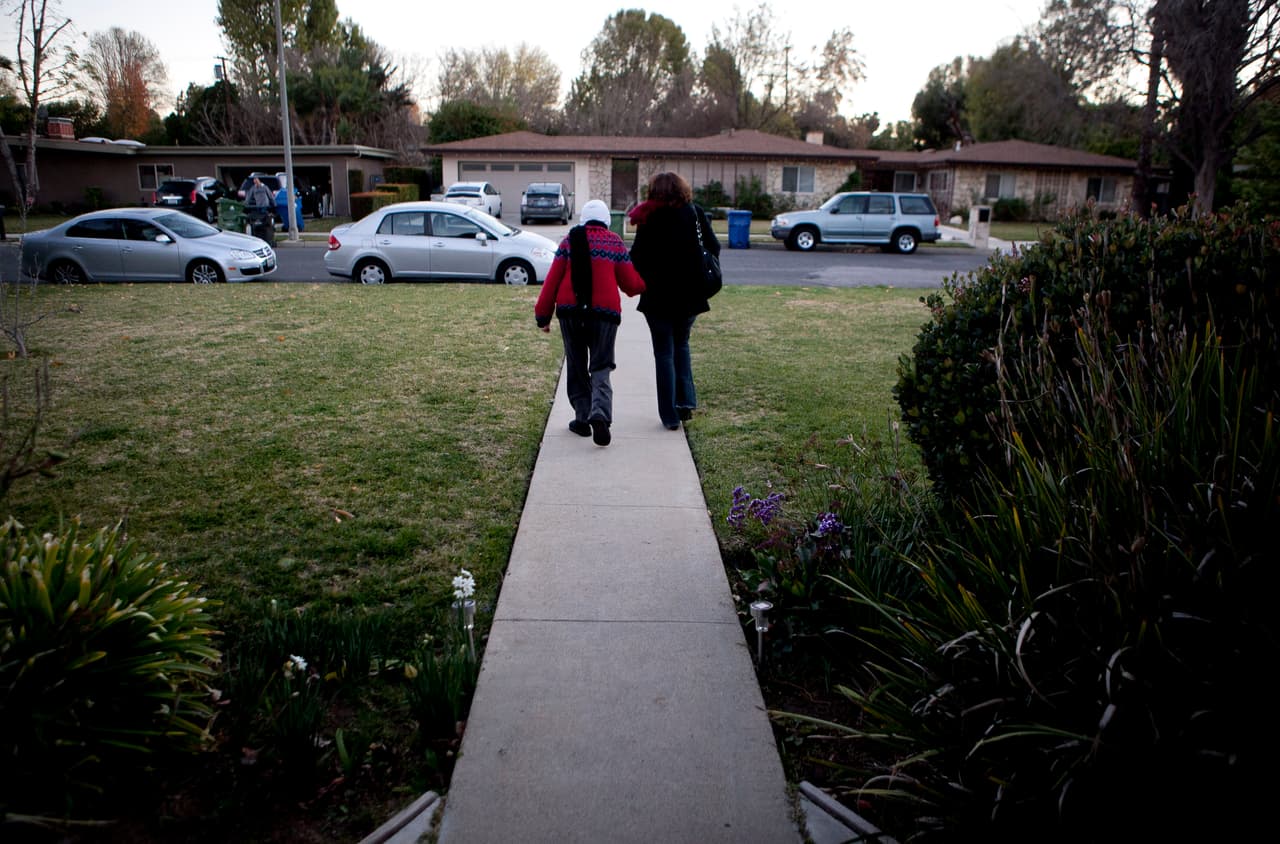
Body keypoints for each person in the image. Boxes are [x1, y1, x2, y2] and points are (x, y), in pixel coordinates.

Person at [534, 199, 646, 447]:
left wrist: (543, 316)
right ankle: (601, 415)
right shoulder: (614, 242)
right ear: (606, 220)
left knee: (576, 366)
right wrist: (644, 281)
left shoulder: (568, 242)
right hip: (604, 316)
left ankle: (582, 419)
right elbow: (631, 285)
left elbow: (552, 281)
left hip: (570, 313)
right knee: (601, 366)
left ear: (583, 219)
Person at [628, 172, 719, 430]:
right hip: (689, 295)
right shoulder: (695, 213)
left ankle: (669, 415)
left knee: (663, 354)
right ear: (682, 190)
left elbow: (637, 256)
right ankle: (685, 402)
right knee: (682, 346)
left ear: (654, 192)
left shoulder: (648, 217)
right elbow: (713, 246)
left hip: (657, 297)